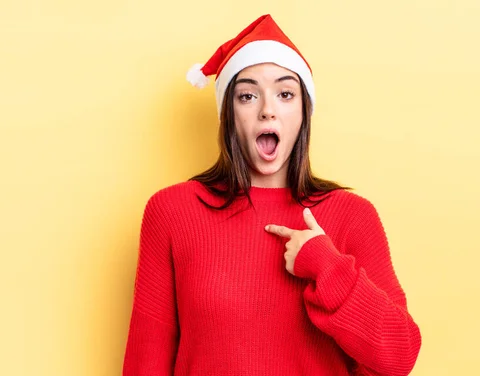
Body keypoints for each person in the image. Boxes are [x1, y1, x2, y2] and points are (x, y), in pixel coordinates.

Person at [122, 14, 421, 376]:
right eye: (247, 95)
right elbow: (145, 364)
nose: (267, 109)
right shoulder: (172, 212)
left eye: (285, 94)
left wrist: (327, 266)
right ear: (229, 114)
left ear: (303, 112)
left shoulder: (352, 215)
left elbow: (399, 355)